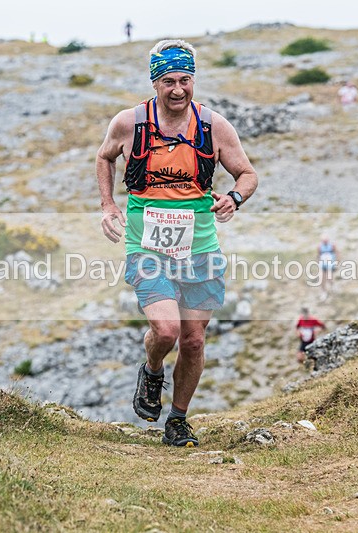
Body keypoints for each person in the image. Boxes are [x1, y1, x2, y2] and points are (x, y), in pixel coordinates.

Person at [96, 39, 258, 447]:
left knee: (193, 339)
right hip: (147, 246)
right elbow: (105, 156)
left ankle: (178, 420)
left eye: (185, 80)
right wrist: (108, 205)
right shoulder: (129, 123)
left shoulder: (213, 126)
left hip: (200, 248)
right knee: (166, 330)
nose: (178, 89)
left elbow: (247, 174)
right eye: (169, 81)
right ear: (155, 82)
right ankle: (152, 370)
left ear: (193, 80)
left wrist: (234, 198)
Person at [317, 235, 338, 300]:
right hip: (323, 264)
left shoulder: (332, 245)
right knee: (322, 279)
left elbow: (337, 253)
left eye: (326, 240)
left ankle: (333, 286)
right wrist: (318, 262)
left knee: (329, 278)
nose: (325, 241)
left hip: (330, 264)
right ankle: (324, 292)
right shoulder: (319, 246)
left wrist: (336, 262)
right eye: (323, 240)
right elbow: (318, 255)